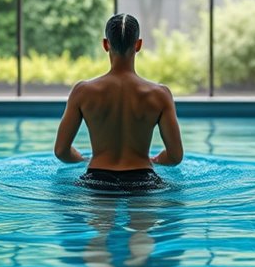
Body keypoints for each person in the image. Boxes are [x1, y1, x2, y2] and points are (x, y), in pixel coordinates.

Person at [54, 13, 183, 191]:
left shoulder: (82, 92)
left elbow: (61, 151)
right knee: (143, 219)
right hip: (143, 178)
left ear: (106, 44)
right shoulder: (160, 95)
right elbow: (175, 156)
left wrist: (82, 159)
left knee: (100, 219)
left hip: (97, 177)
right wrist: (156, 160)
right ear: (138, 45)